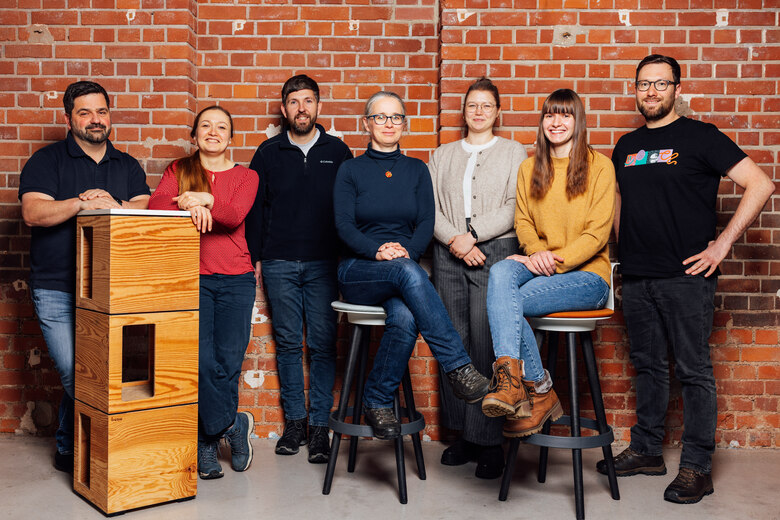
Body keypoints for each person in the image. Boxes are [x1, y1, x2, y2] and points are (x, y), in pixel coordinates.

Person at [597, 54, 774, 504]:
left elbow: (760, 184)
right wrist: (627, 248)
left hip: (686, 278)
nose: (651, 92)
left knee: (694, 372)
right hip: (637, 278)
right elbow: (619, 199)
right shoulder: (626, 145)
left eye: (661, 83)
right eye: (643, 84)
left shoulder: (701, 137)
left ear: (677, 88)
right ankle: (647, 449)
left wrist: (722, 245)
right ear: (634, 89)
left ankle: (697, 467)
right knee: (650, 367)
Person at [333, 91, 491, 440]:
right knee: (408, 272)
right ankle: (459, 367)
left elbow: (425, 224)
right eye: (380, 117)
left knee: (404, 317)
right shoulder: (351, 170)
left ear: (404, 124)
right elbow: (343, 226)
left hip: (402, 272)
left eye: (396, 117)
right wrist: (377, 251)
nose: (388, 124)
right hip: (359, 271)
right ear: (367, 124)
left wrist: (404, 253)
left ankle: (375, 399)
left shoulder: (418, 170)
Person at [18, 80, 151, 473]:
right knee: (79, 372)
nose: (96, 120)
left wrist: (113, 203)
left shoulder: (126, 165)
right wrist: (82, 202)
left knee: (101, 370)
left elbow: (143, 209)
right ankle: (117, 448)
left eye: (102, 111)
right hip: (57, 287)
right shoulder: (46, 161)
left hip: (112, 291)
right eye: (85, 112)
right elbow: (33, 213)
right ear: (68, 118)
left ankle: (67, 443)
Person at [481, 89, 616, 439]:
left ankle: (538, 390)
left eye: (565, 115)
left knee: (507, 305)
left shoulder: (600, 166)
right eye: (549, 115)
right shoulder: (530, 167)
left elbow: (596, 235)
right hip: (541, 264)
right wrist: (535, 251)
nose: (556, 122)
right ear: (542, 122)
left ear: (578, 121)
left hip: (588, 277)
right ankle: (520, 386)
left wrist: (550, 261)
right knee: (499, 271)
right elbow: (523, 222)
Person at [245, 75, 353, 463]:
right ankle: (296, 424)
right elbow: (256, 210)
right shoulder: (268, 153)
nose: (301, 108)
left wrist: (345, 263)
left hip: (325, 264)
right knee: (289, 345)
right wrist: (256, 258)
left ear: (318, 106)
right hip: (278, 263)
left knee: (323, 347)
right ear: (284, 108)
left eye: (308, 101)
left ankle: (320, 428)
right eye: (294, 102)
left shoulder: (339, 152)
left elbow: (349, 211)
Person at [149, 105, 259, 480]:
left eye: (222, 127)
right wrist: (188, 200)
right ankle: (226, 429)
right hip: (191, 277)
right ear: (194, 135)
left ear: (231, 136)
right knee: (199, 360)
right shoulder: (179, 170)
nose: (213, 132)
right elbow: (156, 205)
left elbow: (233, 214)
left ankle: (208, 438)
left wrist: (205, 200)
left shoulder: (247, 176)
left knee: (227, 362)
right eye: (206, 126)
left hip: (236, 279)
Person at [428, 77, 527, 479]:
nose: (479, 112)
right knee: (454, 342)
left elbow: (513, 206)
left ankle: (489, 441)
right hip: (447, 252)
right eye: (472, 105)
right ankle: (464, 436)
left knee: (487, 341)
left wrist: (472, 237)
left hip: (494, 250)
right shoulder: (442, 154)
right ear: (464, 111)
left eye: (487, 106)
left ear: (497, 112)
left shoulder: (513, 151)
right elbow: (429, 206)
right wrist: (455, 239)